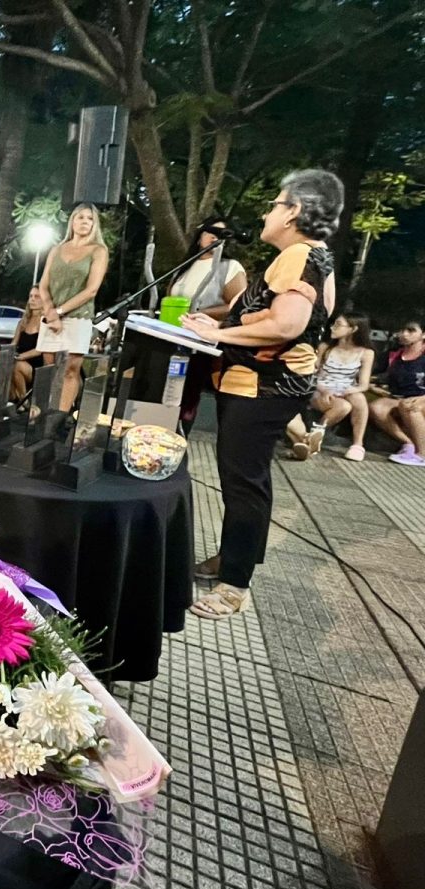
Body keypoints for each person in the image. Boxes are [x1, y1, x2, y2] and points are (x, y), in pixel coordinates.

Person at [181, 169, 343, 620]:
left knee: (243, 481)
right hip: (267, 386)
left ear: (294, 212)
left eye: (275, 203)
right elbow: (270, 318)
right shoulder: (312, 255)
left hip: (265, 387)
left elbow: (287, 324)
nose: (268, 211)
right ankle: (236, 558)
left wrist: (219, 331)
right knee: (247, 480)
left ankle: (234, 586)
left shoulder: (298, 255)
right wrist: (220, 328)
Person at [171, 219, 249, 431]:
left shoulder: (229, 267)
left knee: (188, 393)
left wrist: (201, 313)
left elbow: (239, 306)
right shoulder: (185, 266)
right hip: (172, 335)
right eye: (212, 231)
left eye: (222, 234)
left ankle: (180, 433)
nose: (215, 237)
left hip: (201, 341)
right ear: (200, 235)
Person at [36, 203, 110, 411]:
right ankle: (44, 412)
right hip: (50, 316)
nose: (85, 222)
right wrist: (50, 311)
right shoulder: (57, 249)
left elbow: (91, 290)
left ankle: (60, 416)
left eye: (90, 219)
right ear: (72, 221)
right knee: (50, 369)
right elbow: (43, 284)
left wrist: (59, 312)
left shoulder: (98, 250)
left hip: (78, 316)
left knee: (70, 369)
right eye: (81, 217)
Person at [285, 314, 375, 461]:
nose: (332, 327)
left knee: (358, 398)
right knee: (344, 407)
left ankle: (357, 445)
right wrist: (325, 390)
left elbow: (364, 385)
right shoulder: (325, 347)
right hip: (320, 388)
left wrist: (348, 390)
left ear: (353, 329)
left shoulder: (366, 353)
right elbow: (312, 375)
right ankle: (315, 435)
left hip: (346, 389)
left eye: (338, 324)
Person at [369, 320, 425, 466]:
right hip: (400, 398)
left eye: (411, 330)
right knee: (377, 407)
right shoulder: (394, 355)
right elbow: (372, 372)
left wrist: (422, 399)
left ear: (423, 334)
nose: (404, 334)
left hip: (420, 399)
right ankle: (409, 444)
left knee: (409, 406)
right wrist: (372, 386)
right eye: (402, 330)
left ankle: (422, 454)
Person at [9, 287, 46, 403]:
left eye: (36, 297)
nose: (32, 300)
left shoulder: (44, 322)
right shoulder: (22, 323)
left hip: (36, 367)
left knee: (17, 365)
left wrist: (20, 357)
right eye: (30, 296)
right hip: (18, 360)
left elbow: (40, 349)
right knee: (4, 364)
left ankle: (24, 401)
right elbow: (13, 344)